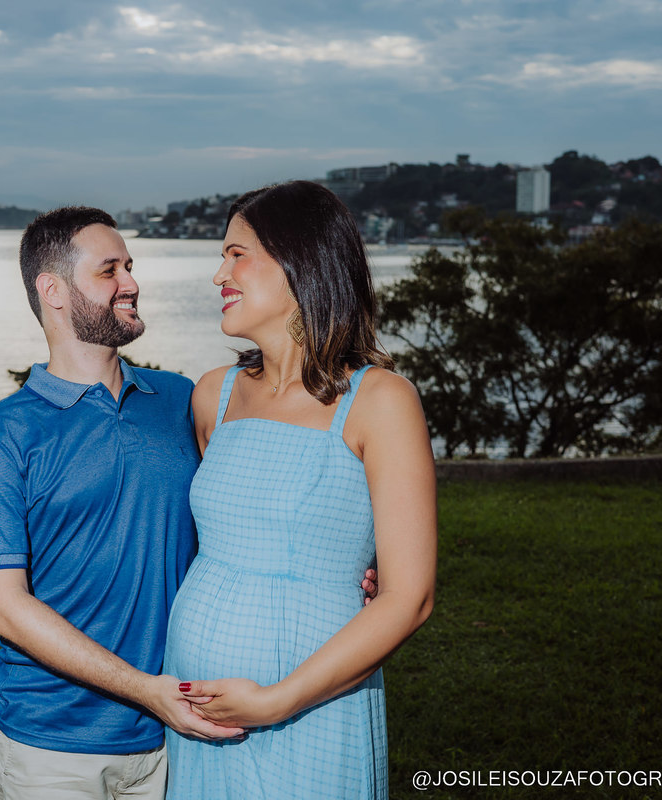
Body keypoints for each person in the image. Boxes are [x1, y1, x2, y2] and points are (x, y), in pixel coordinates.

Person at [0, 207, 245, 800]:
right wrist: (146, 690)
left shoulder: (182, 400)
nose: (132, 283)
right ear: (54, 291)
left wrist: (347, 564)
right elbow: (1, 607)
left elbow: (246, 509)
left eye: (130, 266)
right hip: (50, 749)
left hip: (178, 738)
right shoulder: (1, 436)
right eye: (109, 270)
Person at [164, 180, 438, 799]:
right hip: (197, 711)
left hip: (312, 706)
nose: (219, 275)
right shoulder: (214, 394)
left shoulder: (380, 401)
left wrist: (274, 700)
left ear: (300, 261)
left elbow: (409, 597)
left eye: (237, 255)